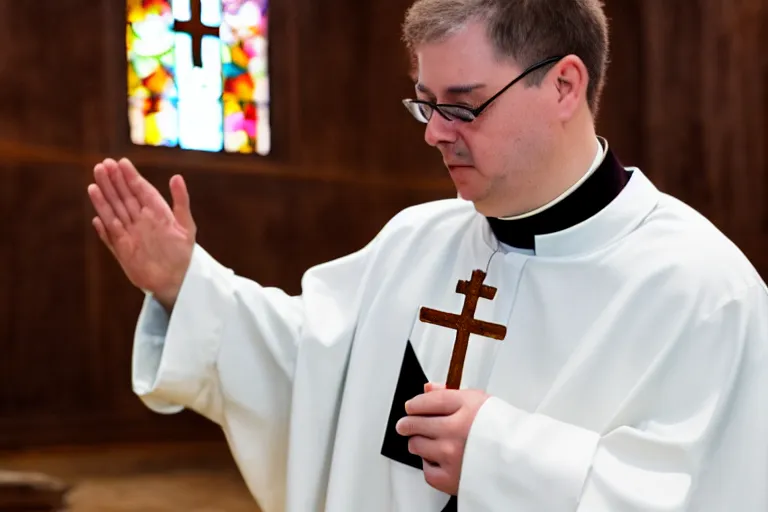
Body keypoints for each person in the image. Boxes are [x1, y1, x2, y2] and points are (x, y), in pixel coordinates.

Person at [87, 0, 768, 510]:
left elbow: (712, 491)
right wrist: (186, 284)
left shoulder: (704, 291)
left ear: (564, 85)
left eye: (464, 106)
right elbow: (312, 373)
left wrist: (500, 455)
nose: (435, 133)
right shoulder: (416, 241)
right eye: (426, 105)